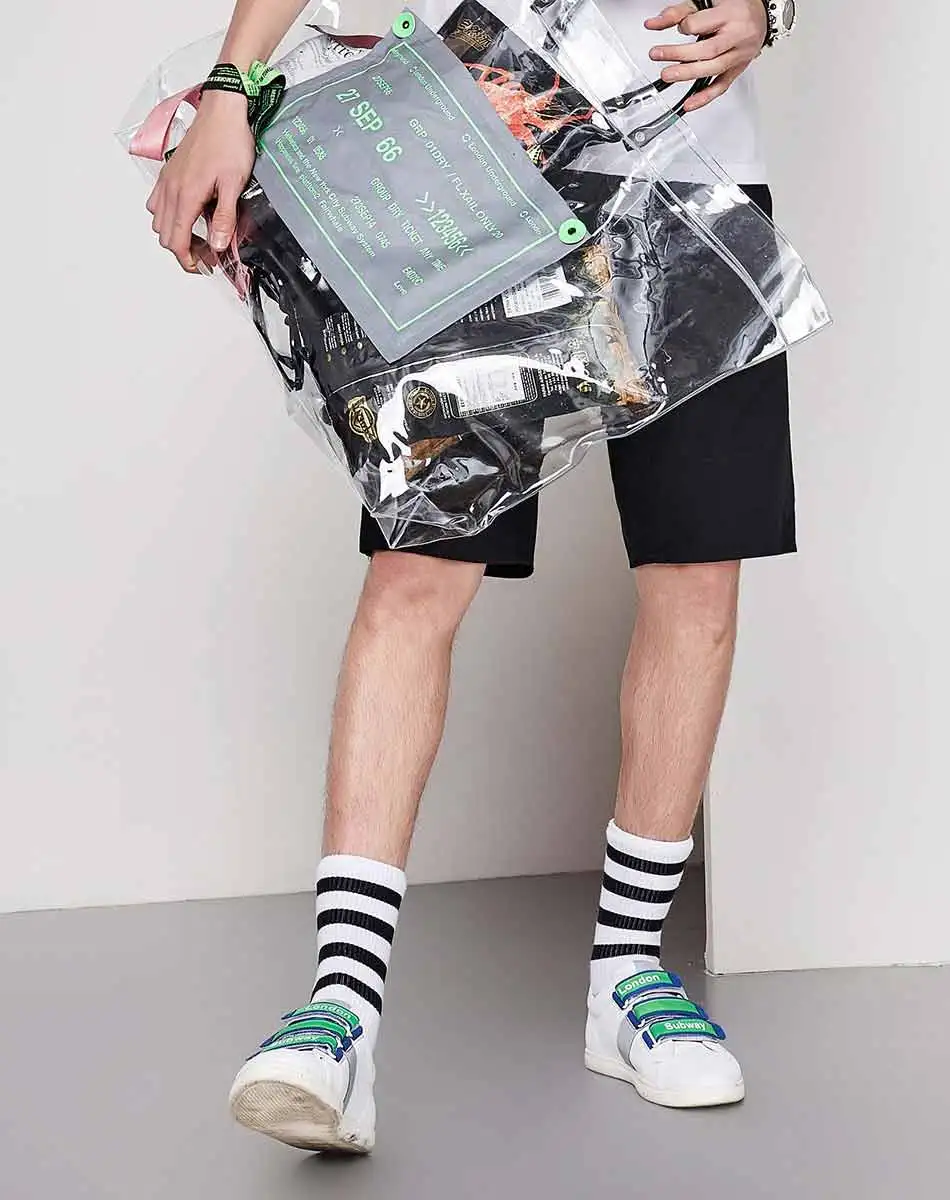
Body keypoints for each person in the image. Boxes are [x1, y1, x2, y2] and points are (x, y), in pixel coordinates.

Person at [148, 0, 797, 1155]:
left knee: (695, 568)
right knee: (417, 572)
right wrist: (229, 89)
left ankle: (628, 978)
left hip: (684, 153)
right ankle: (339, 1013)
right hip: (464, 147)